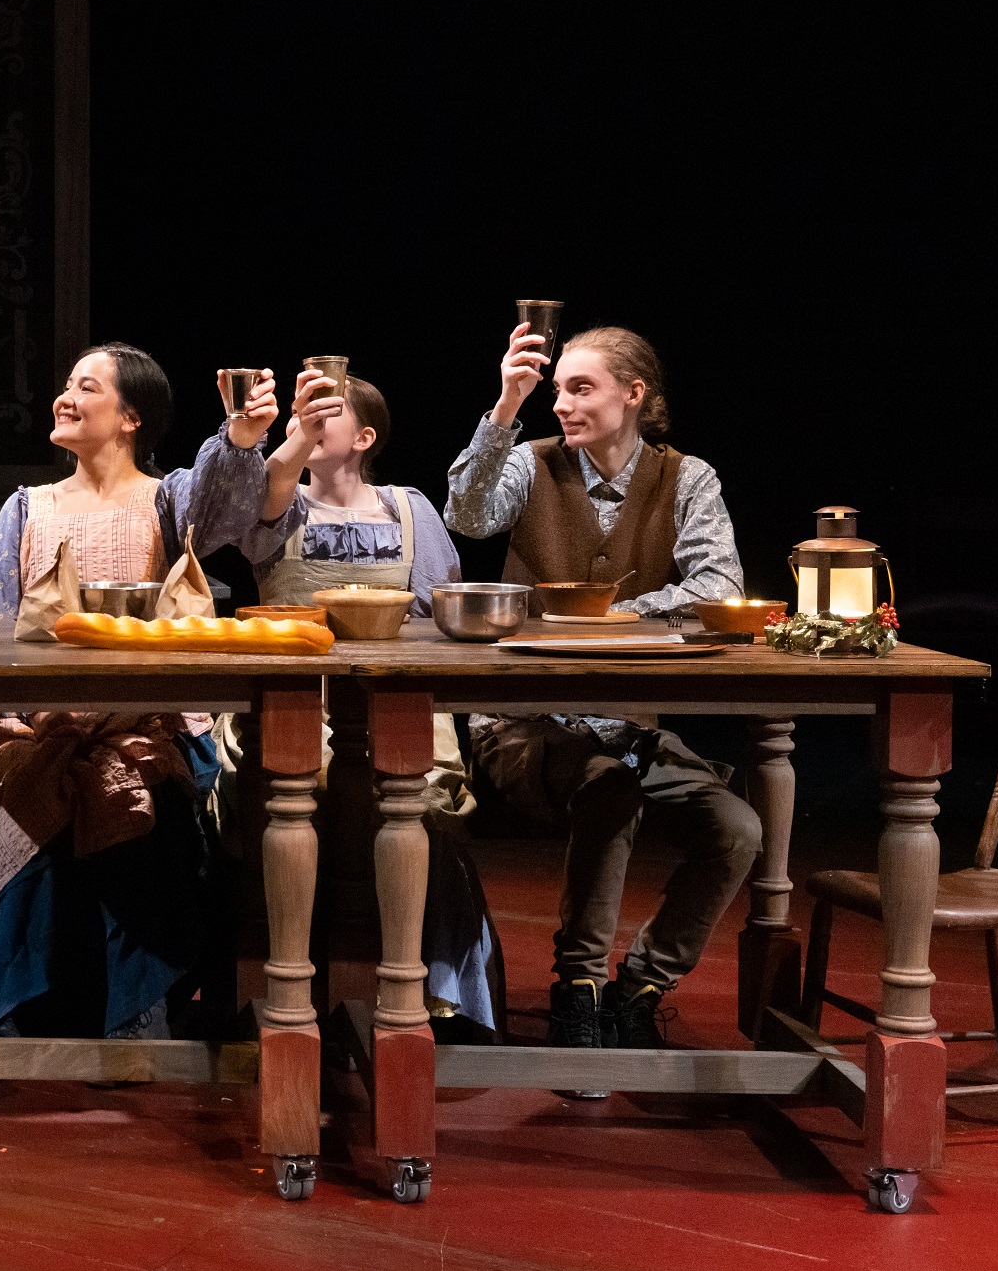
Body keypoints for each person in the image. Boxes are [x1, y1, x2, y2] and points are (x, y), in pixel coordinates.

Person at [444, 324, 760, 1051]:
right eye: (557, 389)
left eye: (579, 388)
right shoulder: (532, 463)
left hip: (625, 725)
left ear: (633, 394)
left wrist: (611, 616)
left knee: (736, 827)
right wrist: (507, 402)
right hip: (523, 721)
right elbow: (467, 514)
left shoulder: (688, 478)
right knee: (608, 789)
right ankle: (578, 989)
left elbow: (718, 584)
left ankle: (642, 983)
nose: (561, 404)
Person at [0, 344, 276, 1038]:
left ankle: (137, 1014)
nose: (65, 397)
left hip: (146, 733)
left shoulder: (168, 499)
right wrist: (28, 724)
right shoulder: (26, 508)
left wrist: (240, 436)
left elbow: (226, 501)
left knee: (134, 806)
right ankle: (25, 1017)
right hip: (47, 733)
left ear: (131, 417)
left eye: (86, 387)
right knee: (40, 800)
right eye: (66, 384)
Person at [239, 369, 501, 1037]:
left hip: (395, 706)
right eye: (302, 408)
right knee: (280, 810)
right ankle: (280, 987)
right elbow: (266, 491)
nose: (308, 419)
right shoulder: (277, 501)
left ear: (364, 437)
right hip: (296, 707)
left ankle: (431, 993)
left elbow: (441, 615)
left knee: (422, 819)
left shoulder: (407, 510)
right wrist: (291, 439)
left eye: (326, 410)